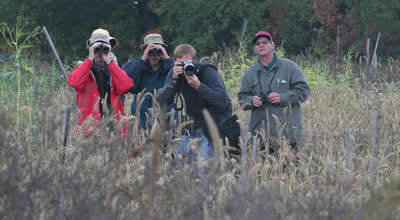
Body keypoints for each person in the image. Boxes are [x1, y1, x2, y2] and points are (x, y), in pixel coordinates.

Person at [158, 44, 237, 166]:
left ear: (195, 61)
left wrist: (199, 86)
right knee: (180, 165)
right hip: (197, 126)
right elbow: (162, 103)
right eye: (180, 63)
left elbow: (222, 101)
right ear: (174, 62)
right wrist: (173, 81)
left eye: (188, 63)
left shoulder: (207, 72)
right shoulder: (175, 74)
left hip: (218, 124)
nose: (184, 67)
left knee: (203, 167)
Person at [238, 31, 310, 155]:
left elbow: (303, 91)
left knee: (289, 172)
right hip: (260, 137)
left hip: (288, 136)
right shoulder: (249, 73)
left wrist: (282, 98)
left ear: (272, 45)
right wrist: (251, 101)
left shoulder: (290, 67)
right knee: (262, 173)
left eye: (265, 42)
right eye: (257, 43)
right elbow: (242, 98)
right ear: (255, 49)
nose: (261, 45)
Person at [68, 28, 133, 135]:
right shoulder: (83, 69)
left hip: (114, 128)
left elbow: (126, 86)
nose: (100, 52)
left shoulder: (114, 69)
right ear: (90, 49)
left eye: (105, 48)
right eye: (97, 49)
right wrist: (89, 59)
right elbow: (75, 83)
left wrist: (111, 64)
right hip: (89, 129)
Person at [123, 34, 173, 128]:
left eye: (158, 51)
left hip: (164, 116)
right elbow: (124, 78)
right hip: (141, 117)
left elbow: (179, 74)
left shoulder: (169, 67)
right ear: (145, 51)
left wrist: (167, 57)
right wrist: (143, 59)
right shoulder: (137, 66)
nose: (154, 55)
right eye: (150, 51)